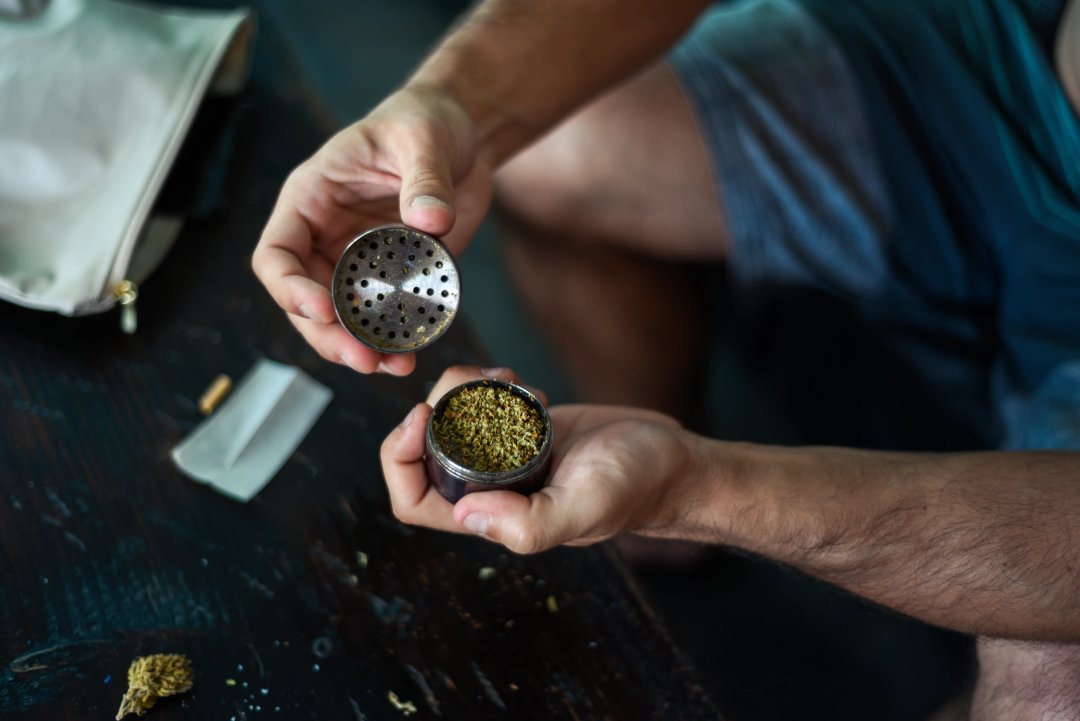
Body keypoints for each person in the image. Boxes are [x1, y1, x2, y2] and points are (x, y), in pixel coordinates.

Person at [253, 0, 1080, 718]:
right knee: (547, 161)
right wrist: (456, 103)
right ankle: (660, 555)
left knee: (1049, 695)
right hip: (1012, 63)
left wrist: (698, 485)